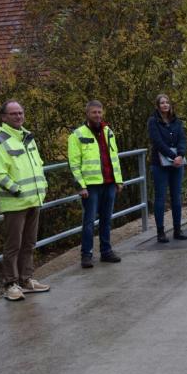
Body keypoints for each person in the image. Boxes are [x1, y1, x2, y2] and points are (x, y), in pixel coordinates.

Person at [0, 100, 50, 301]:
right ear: (3, 117)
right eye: (13, 113)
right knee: (13, 245)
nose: (18, 116)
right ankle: (11, 284)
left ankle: (26, 279)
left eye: (21, 112)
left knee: (29, 243)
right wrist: (17, 190)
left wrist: (43, 187)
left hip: (34, 199)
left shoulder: (27, 137)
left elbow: (38, 165)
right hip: (15, 202)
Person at [68, 100, 124, 268]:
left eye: (99, 112)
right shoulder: (77, 135)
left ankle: (106, 251)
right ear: (87, 114)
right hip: (91, 186)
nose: (97, 116)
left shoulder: (108, 132)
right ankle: (87, 254)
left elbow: (114, 157)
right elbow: (74, 163)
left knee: (107, 220)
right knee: (89, 221)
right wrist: (81, 186)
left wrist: (118, 180)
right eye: (94, 113)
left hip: (109, 183)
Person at [147, 93, 187, 242]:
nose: (165, 105)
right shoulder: (153, 122)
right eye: (162, 103)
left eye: (167, 102)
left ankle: (177, 229)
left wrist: (180, 155)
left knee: (177, 197)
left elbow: (183, 139)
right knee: (161, 197)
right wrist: (172, 155)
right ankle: (160, 232)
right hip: (160, 164)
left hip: (177, 163)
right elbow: (157, 142)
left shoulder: (176, 121)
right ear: (158, 106)